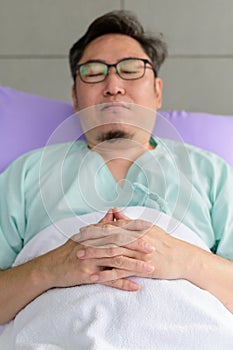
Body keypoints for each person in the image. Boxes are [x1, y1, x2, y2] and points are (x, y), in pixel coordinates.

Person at [0, 10, 233, 327]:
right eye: (94, 72)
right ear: (75, 97)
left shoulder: (212, 173)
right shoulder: (26, 174)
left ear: (157, 91)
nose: (113, 85)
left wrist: (187, 259)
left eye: (131, 70)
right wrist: (51, 267)